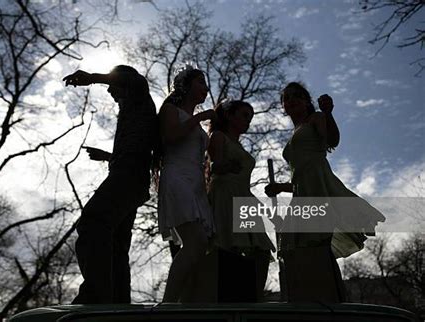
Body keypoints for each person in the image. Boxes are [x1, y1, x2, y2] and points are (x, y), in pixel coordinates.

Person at [264, 82, 385, 302]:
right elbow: (299, 175)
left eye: (296, 96)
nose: (290, 100)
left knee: (314, 244)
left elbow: (332, 140)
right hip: (301, 191)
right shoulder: (296, 131)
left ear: (306, 101)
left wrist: (328, 114)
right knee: (294, 245)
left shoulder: (316, 118)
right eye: (286, 98)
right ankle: (309, 298)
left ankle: (329, 300)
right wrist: (281, 187)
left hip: (318, 187)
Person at [63, 65, 157, 304]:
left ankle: (96, 294)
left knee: (93, 222)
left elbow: (132, 80)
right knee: (116, 244)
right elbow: (138, 147)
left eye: (111, 86)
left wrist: (92, 77)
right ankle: (117, 301)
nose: (109, 91)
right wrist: (107, 156)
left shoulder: (138, 93)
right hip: (131, 176)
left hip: (128, 176)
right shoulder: (134, 111)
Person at [156, 65, 216, 302]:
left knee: (201, 248)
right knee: (195, 242)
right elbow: (171, 136)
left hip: (196, 183)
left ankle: (188, 302)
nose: (205, 87)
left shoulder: (196, 124)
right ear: (186, 85)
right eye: (200, 82)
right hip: (177, 176)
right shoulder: (171, 110)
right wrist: (200, 117)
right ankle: (168, 303)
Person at [206, 100, 276, 302]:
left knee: (261, 249)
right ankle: (228, 301)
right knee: (230, 247)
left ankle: (253, 299)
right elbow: (213, 167)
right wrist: (225, 166)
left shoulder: (238, 145)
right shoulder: (218, 137)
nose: (248, 121)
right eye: (244, 115)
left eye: (250, 117)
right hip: (225, 195)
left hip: (244, 197)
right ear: (229, 115)